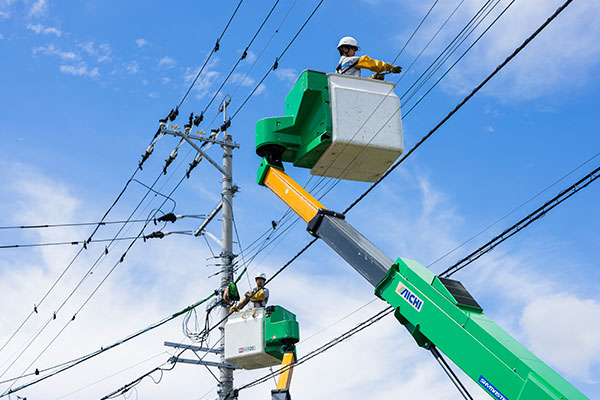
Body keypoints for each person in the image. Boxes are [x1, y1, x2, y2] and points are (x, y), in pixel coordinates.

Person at [335, 36, 402, 78]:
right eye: (353, 48)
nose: (355, 52)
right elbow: (371, 64)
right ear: (345, 49)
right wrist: (389, 67)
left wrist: (373, 77)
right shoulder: (352, 60)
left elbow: (357, 83)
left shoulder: (338, 70)